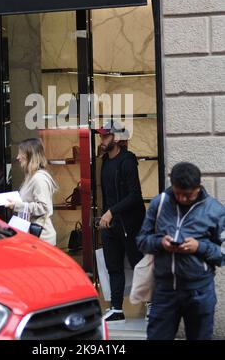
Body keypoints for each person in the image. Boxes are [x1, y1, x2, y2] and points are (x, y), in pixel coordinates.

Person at [137, 162, 225, 340]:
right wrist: (161, 243)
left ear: (199, 188)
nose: (182, 199)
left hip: (200, 292)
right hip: (164, 291)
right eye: (178, 194)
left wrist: (198, 247)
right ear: (172, 184)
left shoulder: (215, 210)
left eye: (188, 195)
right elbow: (141, 242)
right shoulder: (159, 203)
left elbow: (222, 254)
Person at [96, 121, 145, 324]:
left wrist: (111, 212)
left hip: (129, 224)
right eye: (101, 136)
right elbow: (107, 195)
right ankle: (116, 308)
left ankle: (152, 304)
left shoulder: (127, 161)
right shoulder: (105, 161)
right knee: (113, 267)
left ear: (116, 138)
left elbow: (135, 196)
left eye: (106, 136)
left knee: (139, 265)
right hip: (111, 225)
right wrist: (104, 216)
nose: (102, 139)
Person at [5, 138, 57, 246]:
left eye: (21, 153)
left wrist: (18, 205)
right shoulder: (31, 177)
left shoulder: (39, 179)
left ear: (30, 155)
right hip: (33, 237)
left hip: (41, 239)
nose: (18, 157)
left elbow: (43, 207)